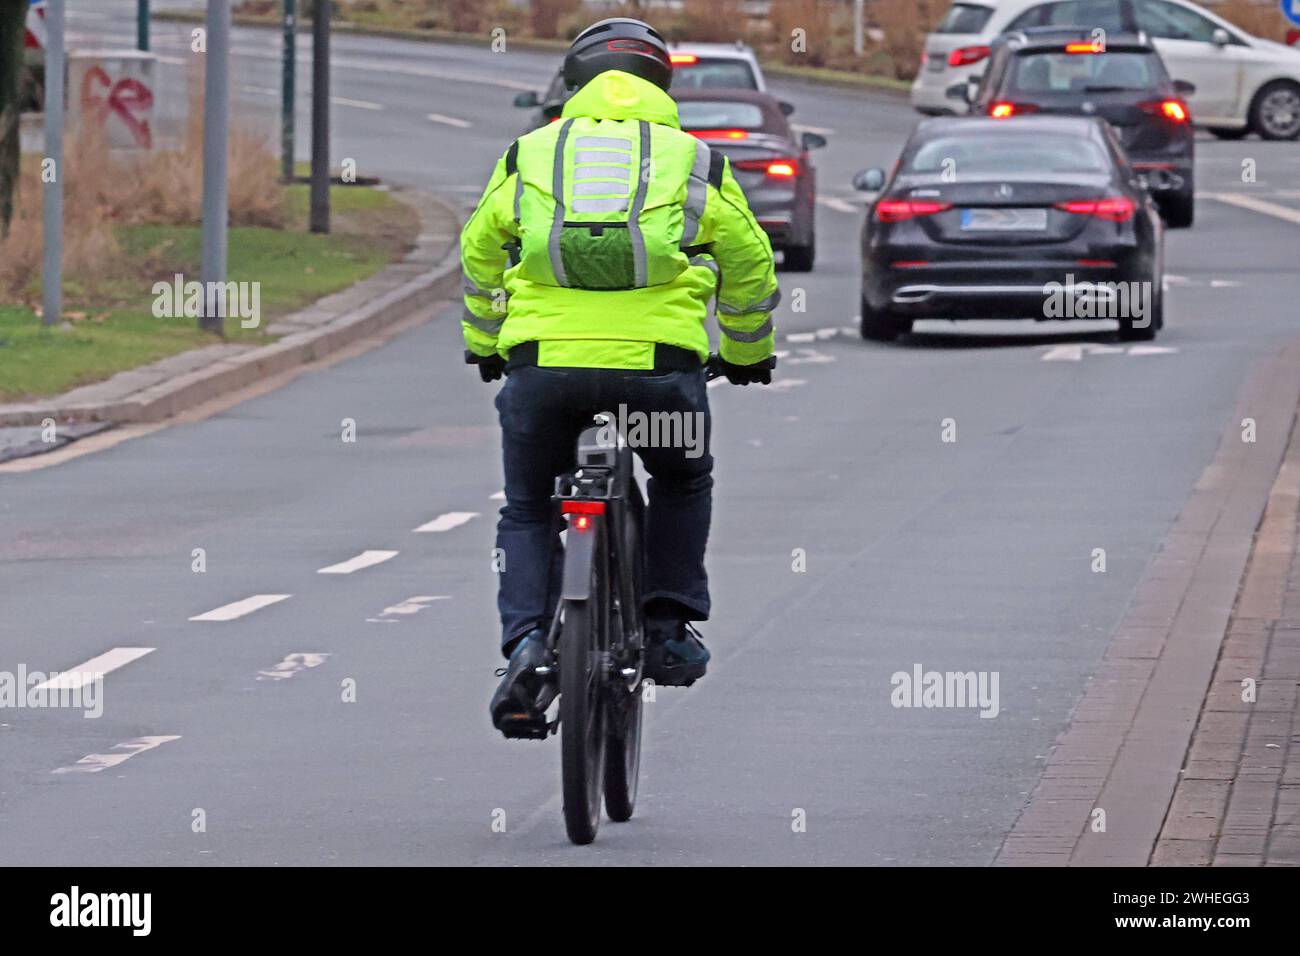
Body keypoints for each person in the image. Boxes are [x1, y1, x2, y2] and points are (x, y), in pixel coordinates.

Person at [460, 17, 779, 736]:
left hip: (544, 368)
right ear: (663, 85)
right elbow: (750, 261)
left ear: (573, 84)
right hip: (659, 374)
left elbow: (480, 250)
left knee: (528, 506)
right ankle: (665, 624)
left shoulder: (531, 155)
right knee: (680, 478)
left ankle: (526, 647)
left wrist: (485, 343)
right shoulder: (692, 160)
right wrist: (747, 351)